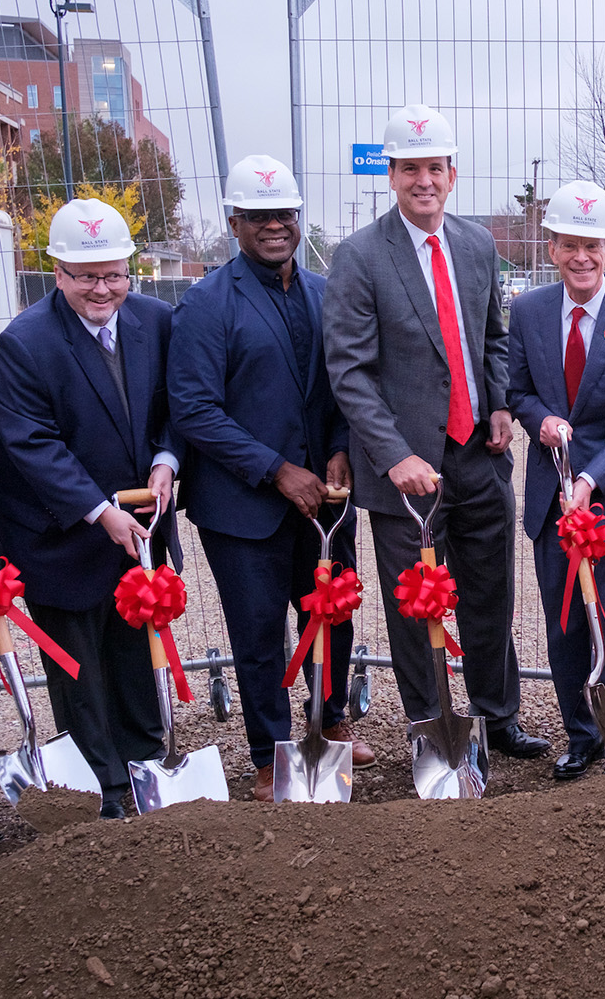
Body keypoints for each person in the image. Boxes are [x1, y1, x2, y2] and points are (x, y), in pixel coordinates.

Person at [324, 105, 545, 761]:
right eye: (410, 168)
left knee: (489, 592)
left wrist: (501, 405)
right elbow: (351, 373)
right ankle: (432, 730)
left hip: (478, 453)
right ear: (391, 176)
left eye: (436, 168)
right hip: (408, 473)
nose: (425, 180)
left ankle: (497, 718)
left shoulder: (476, 245)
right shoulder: (360, 257)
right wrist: (393, 458)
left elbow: (492, 340)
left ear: (453, 174)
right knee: (417, 607)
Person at [168, 154, 366, 802]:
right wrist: (276, 470)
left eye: (284, 213)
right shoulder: (206, 304)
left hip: (323, 502)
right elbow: (195, 409)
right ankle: (270, 753)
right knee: (258, 633)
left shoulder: (322, 292)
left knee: (332, 616)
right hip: (242, 507)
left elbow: (344, 385)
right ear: (235, 221)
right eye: (259, 216)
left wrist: (338, 449)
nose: (275, 225)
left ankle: (330, 725)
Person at [0, 199, 179, 820]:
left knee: (135, 651)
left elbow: (177, 407)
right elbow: (32, 444)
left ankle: (147, 762)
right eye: (86, 276)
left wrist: (167, 461)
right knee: (81, 669)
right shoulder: (25, 344)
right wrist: (99, 510)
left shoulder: (156, 320)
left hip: (140, 524)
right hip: (61, 535)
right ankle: (104, 786)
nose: (103, 289)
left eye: (115, 274)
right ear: (58, 273)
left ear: (131, 271)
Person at [506, 180, 605, 778]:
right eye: (570, 244)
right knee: (565, 618)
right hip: (552, 496)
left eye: (593, 245)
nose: (582, 256)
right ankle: (582, 735)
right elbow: (516, 390)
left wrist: (593, 479)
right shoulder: (526, 312)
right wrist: (539, 419)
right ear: (551, 248)